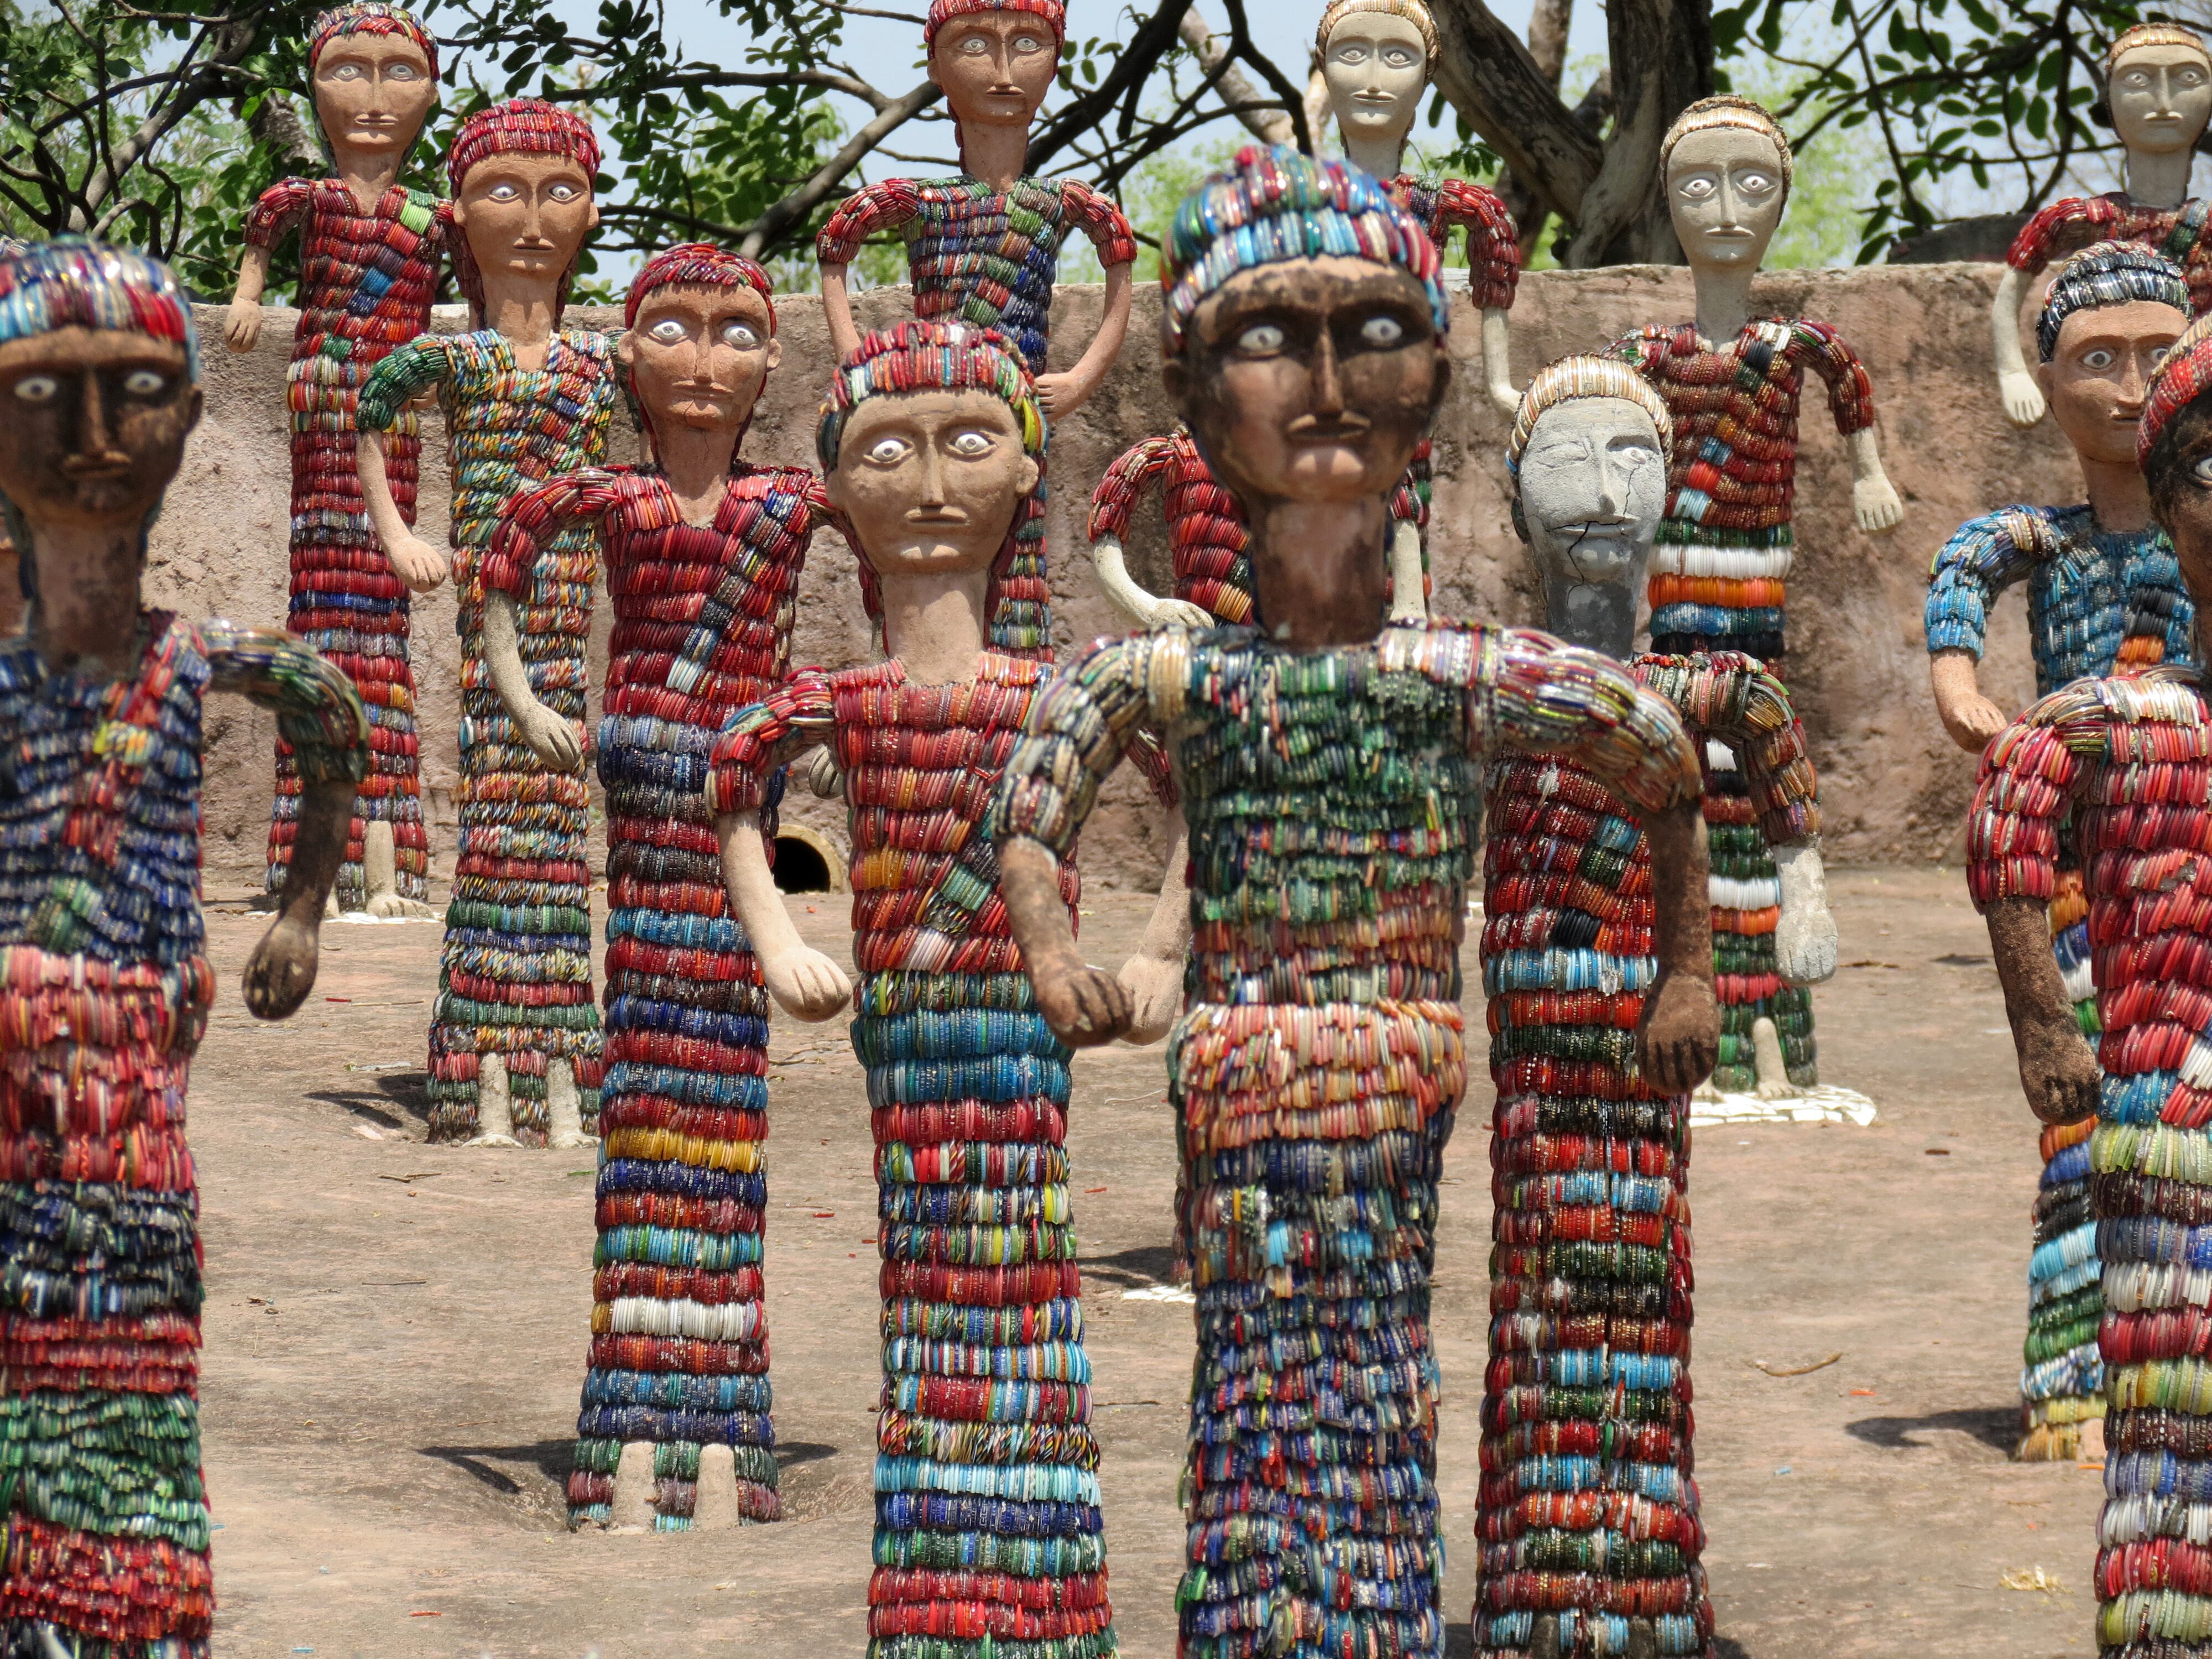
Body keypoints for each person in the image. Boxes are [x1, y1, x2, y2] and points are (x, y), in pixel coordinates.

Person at [987, 145, 1721, 1659]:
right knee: (1256, 1380)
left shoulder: (1465, 679)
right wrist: (1054, 947)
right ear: (1193, 392)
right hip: (1242, 1076)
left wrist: (1692, 971)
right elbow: (1032, 801)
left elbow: (1660, 768)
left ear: (1437, 380)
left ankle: (1373, 1618)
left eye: (1370, 332)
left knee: (1379, 1367)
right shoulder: (1176, 672)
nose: (1324, 382)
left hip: (1392, 1074)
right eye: (1272, 337)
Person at [709, 318, 1188, 1656]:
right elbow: (732, 783)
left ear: (1026, 476)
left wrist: (1158, 948)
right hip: (905, 1042)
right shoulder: (844, 699)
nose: (928, 483)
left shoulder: (1066, 690)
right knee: (924, 1300)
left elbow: (1208, 781)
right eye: (888, 452)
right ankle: (932, 1600)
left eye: (966, 444)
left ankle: (1041, 1594)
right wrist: (777, 935)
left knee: (1025, 1282)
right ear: (841, 490)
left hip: (1022, 1041)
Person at [0, 238, 367, 1658]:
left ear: (193, 418)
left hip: (134, 1099)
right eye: (49, 393)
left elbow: (332, 718)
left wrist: (303, 905)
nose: (98, 437)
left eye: (140, 389)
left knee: (131, 1351)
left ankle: (123, 1601)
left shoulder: (206, 660)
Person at [1481, 353, 1834, 1657]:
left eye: (1628, 458)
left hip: (1643, 1031)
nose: (1596, 488)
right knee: (1530, 1266)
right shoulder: (1493, 683)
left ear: (1673, 489)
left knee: (1635, 1263)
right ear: (1514, 493)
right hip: (1531, 1028)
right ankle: (1533, 1572)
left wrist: (1796, 890)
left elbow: (1772, 760)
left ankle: (1637, 1562)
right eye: (1565, 458)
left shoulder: (1700, 683)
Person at [482, 243, 830, 1527]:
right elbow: (500, 576)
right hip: (640, 787)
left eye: (735, 328)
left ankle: (723, 1392)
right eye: (672, 328)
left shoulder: (792, 507)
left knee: (722, 1072)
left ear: (772, 359)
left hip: (738, 789)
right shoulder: (611, 503)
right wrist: (530, 705)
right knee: (648, 1064)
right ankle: (632, 1390)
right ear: (625, 353)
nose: (703, 357)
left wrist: (828, 712)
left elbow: (928, 560)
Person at [1970, 307, 2212, 1659]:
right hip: (2168, 1114)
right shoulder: (2115, 720)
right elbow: (2006, 827)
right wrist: (2039, 1024)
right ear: (2170, 498)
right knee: (2171, 1437)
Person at [1927, 240, 2194, 1460]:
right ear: (2043, 377)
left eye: (2156, 354)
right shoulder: (2038, 539)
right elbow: (1959, 571)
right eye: (2097, 359)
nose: (2129, 385)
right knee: (2079, 1122)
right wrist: (1956, 678)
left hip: (2186, 845)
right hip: (2085, 862)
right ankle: (2070, 1375)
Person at [1614, 93, 1901, 1095]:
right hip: (1676, 606)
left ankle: (1776, 1027)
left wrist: (1869, 474)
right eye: (1698, 184)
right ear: (1666, 200)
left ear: (1781, 199)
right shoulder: (1642, 357)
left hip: (1757, 604)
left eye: (1752, 183)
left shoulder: (1801, 351)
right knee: (1685, 795)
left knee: (1761, 771)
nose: (1726, 207)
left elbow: (1856, 407)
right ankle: (1704, 1023)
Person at [356, 98, 622, 1147]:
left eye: (560, 192)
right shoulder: (454, 362)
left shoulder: (602, 366)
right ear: (459, 211)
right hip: (488, 608)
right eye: (503, 191)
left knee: (558, 810)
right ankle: (483, 1037)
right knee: (504, 793)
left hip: (567, 611)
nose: (533, 219)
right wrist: (399, 533)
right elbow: (371, 411)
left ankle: (558, 1027)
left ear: (591, 211)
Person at [228, 1, 443, 916]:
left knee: (380, 612)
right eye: (348, 69)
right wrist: (245, 298)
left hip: (394, 408)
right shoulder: (305, 199)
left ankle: (387, 846)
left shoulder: (434, 217)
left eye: (400, 72)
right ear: (313, 87)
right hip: (322, 400)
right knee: (325, 601)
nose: (371, 96)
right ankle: (313, 850)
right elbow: (259, 247)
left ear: (430, 95)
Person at [1993, 22, 2212, 425]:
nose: (2163, 100)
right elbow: (2010, 294)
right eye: (2139, 79)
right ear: (2110, 103)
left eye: (2188, 78)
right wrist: (2012, 371)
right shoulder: (2083, 220)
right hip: (2113, 390)